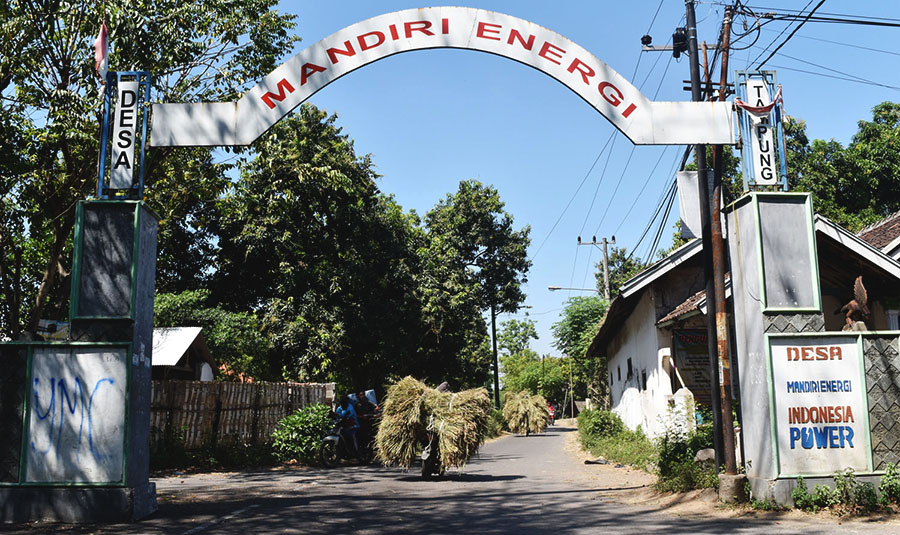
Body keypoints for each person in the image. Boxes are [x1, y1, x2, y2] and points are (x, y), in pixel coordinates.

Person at [335, 394, 361, 459]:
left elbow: (348, 415)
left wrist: (344, 418)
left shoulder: (350, 407)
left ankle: (356, 451)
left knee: (351, 436)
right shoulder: (339, 408)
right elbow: (337, 416)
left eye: (343, 402)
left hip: (352, 426)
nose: (342, 404)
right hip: (343, 427)